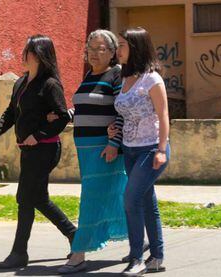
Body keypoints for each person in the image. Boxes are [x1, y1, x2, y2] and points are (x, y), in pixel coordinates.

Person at [0, 34, 77, 269]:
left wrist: (39, 135)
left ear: (39, 55)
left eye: (28, 51)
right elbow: (11, 114)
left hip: (45, 149)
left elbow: (62, 117)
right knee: (38, 198)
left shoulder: (50, 84)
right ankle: (74, 235)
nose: (23, 55)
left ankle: (19, 253)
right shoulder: (21, 83)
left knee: (25, 198)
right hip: (29, 150)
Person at [49, 29, 129, 274]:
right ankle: (139, 237)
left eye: (100, 49)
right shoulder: (89, 75)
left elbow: (123, 111)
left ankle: (79, 253)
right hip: (85, 149)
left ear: (113, 52)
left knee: (91, 199)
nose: (93, 54)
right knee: (112, 197)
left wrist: (114, 145)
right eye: (90, 48)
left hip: (104, 149)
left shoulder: (116, 75)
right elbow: (83, 107)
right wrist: (64, 115)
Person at [114, 27, 171, 276]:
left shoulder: (152, 79)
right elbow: (125, 114)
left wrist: (161, 149)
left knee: (131, 199)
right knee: (146, 201)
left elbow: (164, 115)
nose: (118, 50)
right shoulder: (125, 78)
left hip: (150, 149)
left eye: (122, 45)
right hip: (130, 150)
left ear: (135, 47)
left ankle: (137, 258)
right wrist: (112, 128)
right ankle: (156, 257)